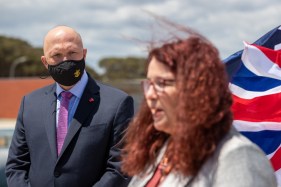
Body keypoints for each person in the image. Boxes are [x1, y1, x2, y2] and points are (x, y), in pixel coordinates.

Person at [121, 23, 277, 187]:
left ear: (197, 88)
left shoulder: (237, 155)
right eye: (149, 84)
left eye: (163, 83)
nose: (150, 95)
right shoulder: (161, 151)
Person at [5, 25, 134, 187]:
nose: (65, 60)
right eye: (56, 55)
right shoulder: (30, 104)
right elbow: (16, 165)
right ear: (45, 62)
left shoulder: (117, 103)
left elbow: (120, 168)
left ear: (84, 54)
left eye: (72, 53)